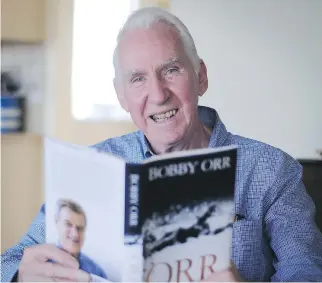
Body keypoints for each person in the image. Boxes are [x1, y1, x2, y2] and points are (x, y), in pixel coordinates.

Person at [1, 6, 322, 282]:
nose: (157, 94)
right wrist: (22, 274)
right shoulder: (93, 165)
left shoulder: (272, 169)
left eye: (171, 70)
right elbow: (10, 263)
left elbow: (308, 275)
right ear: (121, 96)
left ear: (201, 77)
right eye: (138, 78)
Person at [52, 199, 108, 281]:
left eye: (80, 228)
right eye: (68, 224)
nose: (75, 234)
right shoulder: (40, 266)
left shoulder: (97, 273)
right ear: (56, 222)